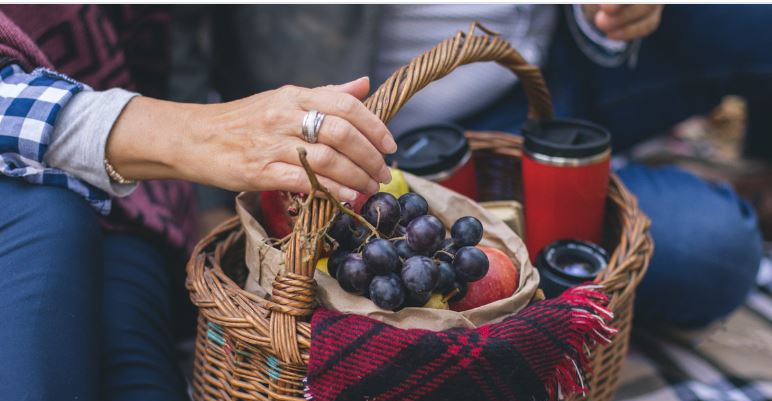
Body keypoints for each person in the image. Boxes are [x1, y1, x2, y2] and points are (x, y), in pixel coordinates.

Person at [0, 6, 394, 401]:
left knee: (126, 350)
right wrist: (188, 135)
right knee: (50, 228)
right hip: (47, 200)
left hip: (122, 211)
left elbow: (169, 52)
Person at [179, 4, 765, 328]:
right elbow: (168, 37)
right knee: (713, 253)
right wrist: (205, 192)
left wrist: (606, 15)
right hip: (398, 140)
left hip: (556, 56)